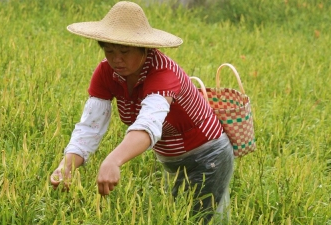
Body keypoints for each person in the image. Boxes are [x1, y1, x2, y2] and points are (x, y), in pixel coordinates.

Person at [50, 1, 234, 223]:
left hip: (208, 154)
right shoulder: (105, 73)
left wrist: (113, 160)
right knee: (176, 217)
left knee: (201, 219)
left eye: (125, 51)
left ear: (145, 48)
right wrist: (67, 165)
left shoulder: (163, 73)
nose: (117, 59)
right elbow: (91, 125)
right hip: (171, 158)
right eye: (109, 51)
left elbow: (148, 125)